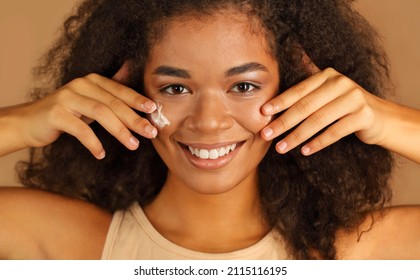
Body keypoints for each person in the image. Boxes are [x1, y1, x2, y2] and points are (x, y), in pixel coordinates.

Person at [0, 0, 420, 260]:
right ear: (127, 91)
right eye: (176, 87)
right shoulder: (76, 246)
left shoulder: (349, 254)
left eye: (243, 86)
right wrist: (22, 123)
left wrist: (382, 119)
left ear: (296, 87)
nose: (208, 122)